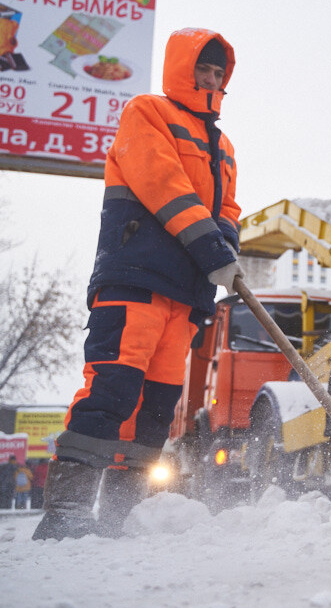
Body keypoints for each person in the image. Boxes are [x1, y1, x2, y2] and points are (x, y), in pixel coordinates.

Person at [34, 28, 244, 541]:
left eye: (219, 73)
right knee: (111, 389)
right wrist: (213, 251)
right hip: (136, 279)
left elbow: (227, 209)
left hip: (186, 296)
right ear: (182, 68)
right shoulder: (147, 113)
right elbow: (161, 185)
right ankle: (66, 512)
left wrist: (228, 250)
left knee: (156, 410)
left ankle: (118, 517)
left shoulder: (224, 145)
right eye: (204, 69)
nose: (211, 79)